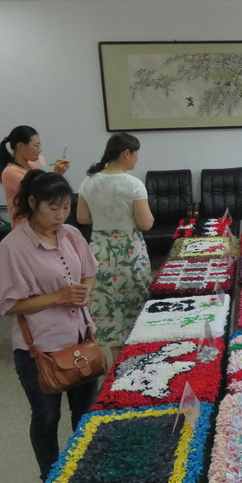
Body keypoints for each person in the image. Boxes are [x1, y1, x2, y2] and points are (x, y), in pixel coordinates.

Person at [0, 171, 98, 480]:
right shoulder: (12, 248)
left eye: (66, 207)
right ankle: (51, 481)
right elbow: (5, 304)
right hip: (40, 349)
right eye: (53, 208)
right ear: (33, 202)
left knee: (86, 414)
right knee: (46, 417)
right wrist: (58, 297)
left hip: (80, 339)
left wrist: (85, 291)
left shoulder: (71, 234)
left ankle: (86, 472)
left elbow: (89, 271)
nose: (60, 215)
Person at [77, 133, 154, 359]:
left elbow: (82, 218)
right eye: (136, 153)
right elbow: (146, 223)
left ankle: (116, 359)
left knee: (107, 303)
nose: (137, 158)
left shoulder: (88, 182)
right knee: (135, 298)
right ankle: (137, 355)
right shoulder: (133, 184)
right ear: (126, 153)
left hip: (100, 249)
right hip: (129, 250)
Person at [0, 126, 70, 226]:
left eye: (39, 145)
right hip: (25, 225)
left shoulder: (32, 166)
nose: (39, 150)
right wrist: (56, 174)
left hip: (39, 222)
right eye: (36, 146)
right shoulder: (11, 172)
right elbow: (40, 193)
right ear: (20, 146)